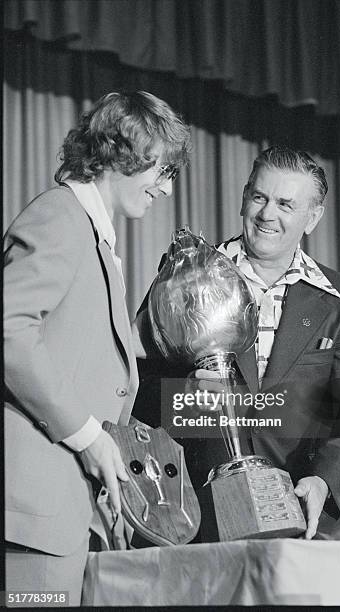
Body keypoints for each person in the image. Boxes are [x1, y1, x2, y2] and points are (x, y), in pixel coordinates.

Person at [4, 90, 191, 605]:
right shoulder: (61, 216)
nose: (166, 190)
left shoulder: (95, 238)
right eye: (163, 171)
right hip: (31, 515)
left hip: (64, 514)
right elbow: (8, 331)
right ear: (125, 151)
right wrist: (87, 436)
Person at [133, 144, 340, 541]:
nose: (267, 215)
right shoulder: (184, 275)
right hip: (196, 517)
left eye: (285, 204)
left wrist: (323, 482)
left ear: (312, 218)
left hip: (301, 517)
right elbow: (137, 390)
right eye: (259, 197)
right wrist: (186, 394)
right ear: (244, 197)